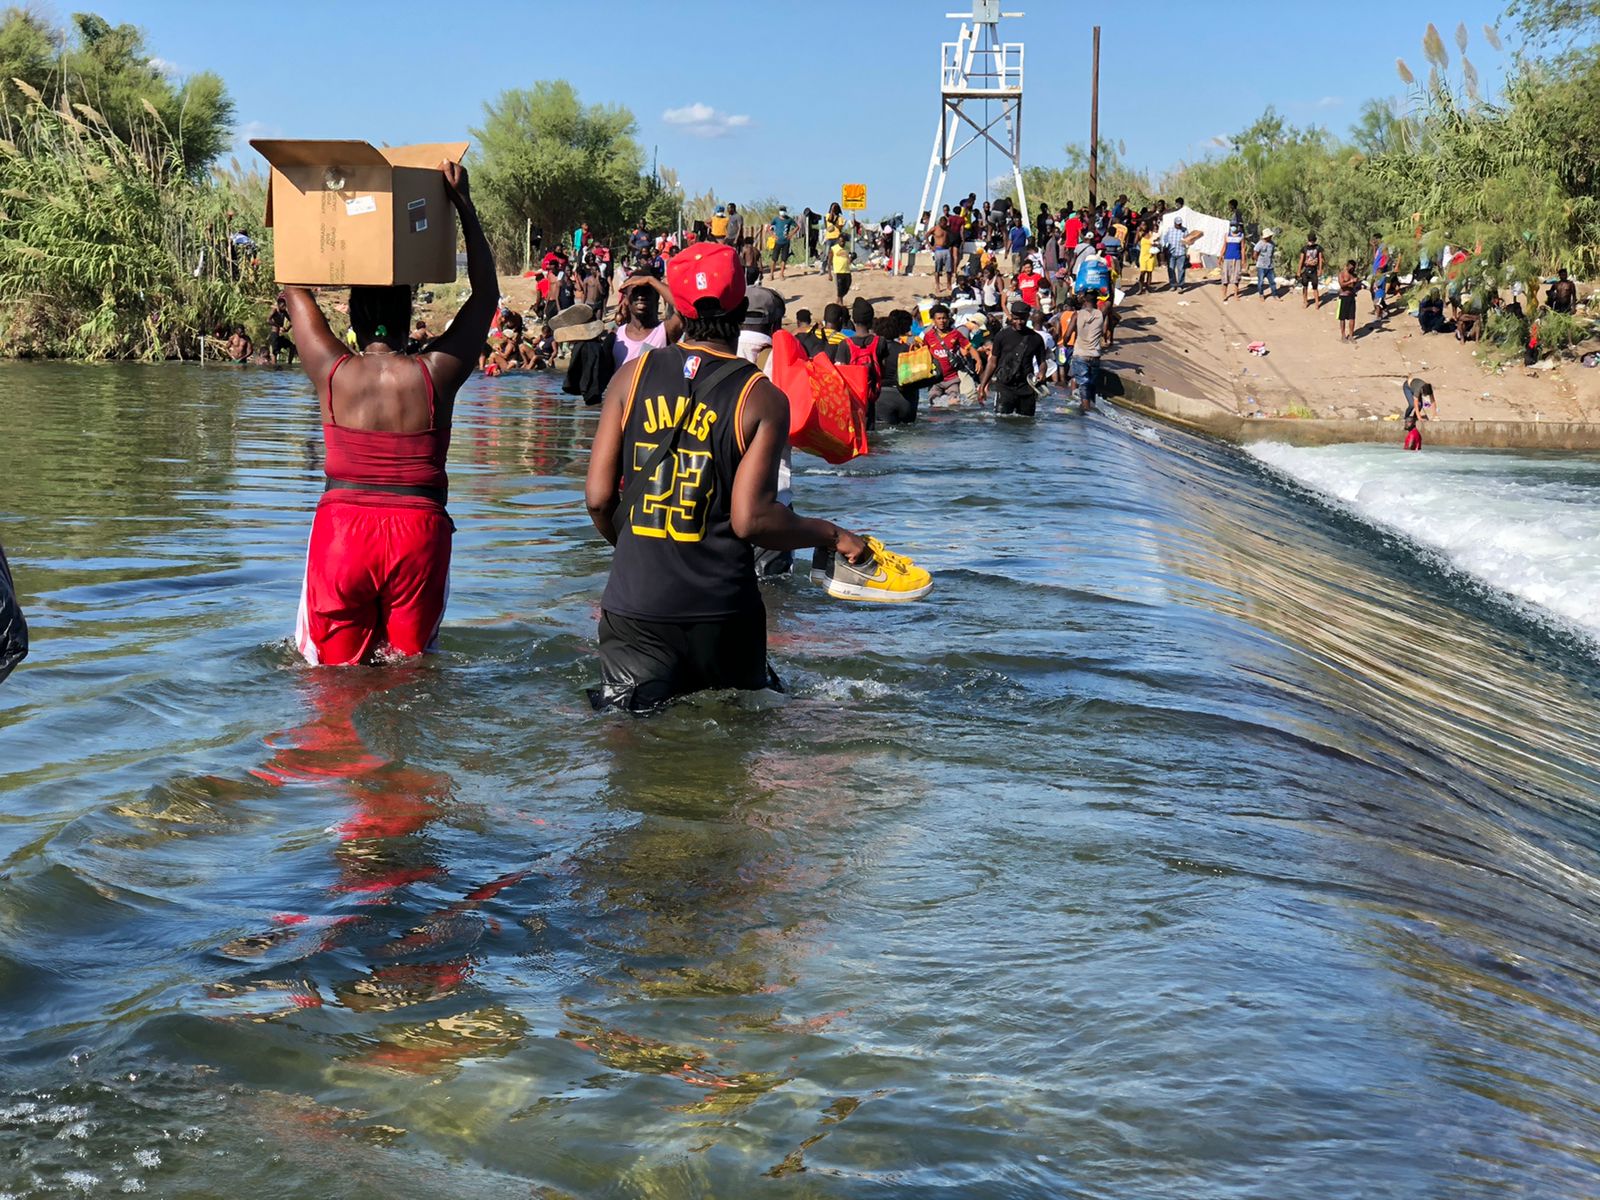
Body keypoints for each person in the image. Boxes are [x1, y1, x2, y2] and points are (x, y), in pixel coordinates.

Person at [583, 242, 883, 712]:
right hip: (723, 611)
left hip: (635, 609)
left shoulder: (630, 377)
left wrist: (637, 554)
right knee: (738, 750)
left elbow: (600, 498)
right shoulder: (761, 397)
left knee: (629, 755)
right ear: (742, 309)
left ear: (677, 309)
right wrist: (833, 535)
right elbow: (751, 521)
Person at [281, 160, 495, 665]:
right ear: (408, 316)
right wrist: (461, 201)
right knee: (411, 675)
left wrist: (309, 208)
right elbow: (486, 293)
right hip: (417, 534)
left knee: (330, 682)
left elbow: (292, 284)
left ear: (352, 318)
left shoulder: (331, 371)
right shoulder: (436, 373)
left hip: (343, 533)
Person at [978, 300, 1047, 417]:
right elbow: (992, 363)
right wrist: (982, 386)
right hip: (1005, 386)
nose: (1019, 322)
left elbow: (1042, 362)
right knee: (1001, 421)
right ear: (1011, 316)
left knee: (1027, 423)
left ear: (1028, 317)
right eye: (1015, 318)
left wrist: (1042, 372)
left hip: (1027, 388)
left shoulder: (1036, 338)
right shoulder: (1001, 336)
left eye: (1022, 319)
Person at [613, 271, 683, 367]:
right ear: (626, 299)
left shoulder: (664, 331)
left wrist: (651, 280)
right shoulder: (616, 335)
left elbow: (685, 307)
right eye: (635, 291)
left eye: (647, 291)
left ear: (656, 297)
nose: (641, 296)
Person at [919, 303, 970, 407]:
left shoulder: (955, 334)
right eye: (939, 318)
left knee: (954, 402)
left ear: (948, 319)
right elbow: (924, 353)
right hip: (936, 379)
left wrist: (978, 361)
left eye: (944, 318)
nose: (942, 321)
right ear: (933, 320)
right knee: (933, 402)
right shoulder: (928, 336)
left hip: (952, 379)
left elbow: (969, 347)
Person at [1062, 293, 1103, 413]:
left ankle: (1086, 410)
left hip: (1080, 354)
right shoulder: (1100, 314)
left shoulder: (1077, 314)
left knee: (1084, 384)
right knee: (1092, 384)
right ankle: (1092, 406)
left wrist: (1064, 343)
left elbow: (1068, 334)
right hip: (1095, 355)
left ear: (1084, 300)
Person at [1220, 221, 1246, 301]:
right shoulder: (1227, 235)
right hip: (1227, 258)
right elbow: (1224, 246)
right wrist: (1221, 256)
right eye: (1232, 225)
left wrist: (1243, 259)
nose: (1233, 227)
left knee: (1236, 277)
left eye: (1234, 225)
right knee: (1225, 276)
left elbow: (1242, 248)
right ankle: (1224, 294)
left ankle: (1236, 294)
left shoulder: (1241, 236)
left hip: (1237, 258)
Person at [1337, 260, 1362, 341]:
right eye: (1351, 267)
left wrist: (1357, 283)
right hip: (1343, 297)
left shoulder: (1354, 275)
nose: (1352, 269)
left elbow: (1356, 286)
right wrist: (1351, 281)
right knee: (1342, 317)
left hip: (1351, 297)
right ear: (1347, 266)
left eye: (1353, 268)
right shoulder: (1342, 274)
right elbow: (1342, 284)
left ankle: (1351, 335)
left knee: (1352, 317)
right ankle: (1343, 335)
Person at [267, 297, 296, 364]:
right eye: (282, 306)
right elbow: (268, 320)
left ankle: (289, 363)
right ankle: (274, 367)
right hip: (274, 334)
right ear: (278, 305)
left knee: (292, 347)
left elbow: (292, 321)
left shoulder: (284, 312)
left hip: (279, 335)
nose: (284, 307)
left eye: (285, 306)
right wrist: (279, 327)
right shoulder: (274, 311)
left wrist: (287, 329)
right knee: (275, 352)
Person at [1162, 219, 1189, 290]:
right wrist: (1165, 245)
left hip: (1181, 252)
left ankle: (1180, 285)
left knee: (1181, 269)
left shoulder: (1185, 230)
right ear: (1174, 223)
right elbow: (1165, 239)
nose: (1179, 225)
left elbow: (1188, 240)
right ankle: (1173, 284)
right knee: (1171, 269)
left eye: (1180, 224)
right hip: (1171, 253)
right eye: (1177, 224)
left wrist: (1187, 248)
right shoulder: (1170, 230)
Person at [1298, 234, 1324, 308]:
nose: (1311, 242)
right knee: (1305, 286)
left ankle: (1316, 302)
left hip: (1314, 270)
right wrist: (1299, 271)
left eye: (1312, 241)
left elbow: (1320, 259)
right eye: (1310, 241)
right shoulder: (1305, 248)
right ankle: (1305, 301)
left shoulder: (1318, 248)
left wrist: (1320, 269)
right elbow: (1301, 260)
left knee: (1315, 286)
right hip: (1306, 269)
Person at [1253, 230, 1279, 300]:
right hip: (1261, 266)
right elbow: (1255, 254)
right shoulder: (1260, 244)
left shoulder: (1272, 244)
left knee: (1272, 282)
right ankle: (1261, 294)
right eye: (1269, 236)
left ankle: (1275, 294)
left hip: (1270, 266)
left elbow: (1272, 253)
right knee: (1260, 282)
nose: (1271, 237)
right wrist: (1258, 261)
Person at [931, 215, 953, 295]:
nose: (944, 225)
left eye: (945, 224)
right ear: (940, 222)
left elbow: (951, 237)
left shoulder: (947, 229)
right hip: (938, 250)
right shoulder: (935, 228)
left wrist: (950, 246)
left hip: (946, 249)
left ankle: (949, 284)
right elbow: (926, 236)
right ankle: (937, 285)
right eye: (943, 223)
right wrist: (931, 246)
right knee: (937, 269)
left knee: (949, 270)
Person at [771, 206, 796, 278]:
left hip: (786, 242)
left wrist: (791, 234)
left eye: (783, 210)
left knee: (784, 259)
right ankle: (771, 274)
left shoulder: (789, 219)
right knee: (774, 258)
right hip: (777, 242)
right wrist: (773, 235)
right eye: (781, 210)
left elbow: (797, 227)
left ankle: (781, 274)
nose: (782, 212)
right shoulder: (776, 219)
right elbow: (769, 227)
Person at [831, 234, 853, 304]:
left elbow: (849, 261)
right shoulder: (834, 249)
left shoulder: (846, 250)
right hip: (838, 272)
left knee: (847, 286)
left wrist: (852, 258)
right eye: (840, 241)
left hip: (847, 271)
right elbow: (829, 261)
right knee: (840, 288)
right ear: (838, 241)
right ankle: (841, 304)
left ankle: (838, 299)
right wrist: (829, 273)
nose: (842, 243)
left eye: (843, 241)